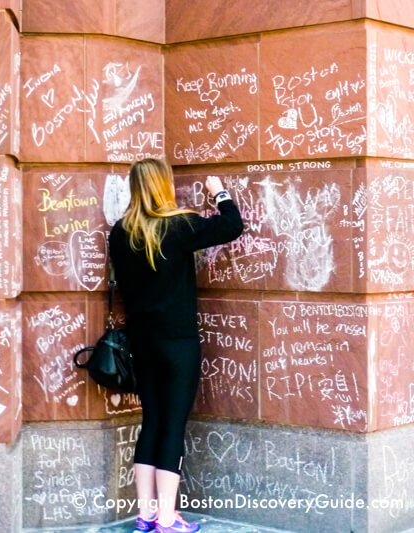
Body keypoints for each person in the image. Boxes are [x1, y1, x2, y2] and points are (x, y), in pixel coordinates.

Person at [108, 158, 243, 533]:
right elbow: (233, 225)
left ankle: (146, 516)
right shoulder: (180, 225)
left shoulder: (121, 232)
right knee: (172, 426)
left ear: (135, 188)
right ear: (163, 185)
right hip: (178, 342)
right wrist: (219, 191)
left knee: (151, 422)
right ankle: (168, 519)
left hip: (141, 341)